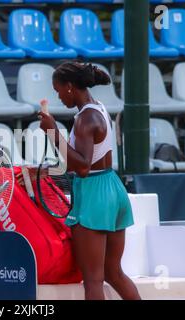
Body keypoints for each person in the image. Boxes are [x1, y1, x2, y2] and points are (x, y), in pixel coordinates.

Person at [38, 61, 141, 300]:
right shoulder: (100, 108)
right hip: (113, 188)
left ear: (71, 86)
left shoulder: (84, 119)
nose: (59, 97)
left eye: (59, 90)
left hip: (94, 192)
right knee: (113, 273)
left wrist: (53, 132)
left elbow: (83, 167)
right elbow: (89, 159)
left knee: (93, 281)